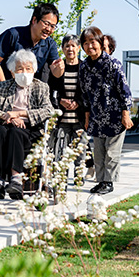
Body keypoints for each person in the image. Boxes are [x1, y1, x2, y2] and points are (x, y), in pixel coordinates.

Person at [0, 49, 54, 198]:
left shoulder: (41, 87)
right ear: (12, 72)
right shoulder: (3, 87)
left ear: (34, 70)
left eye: (28, 68)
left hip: (30, 128)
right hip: (7, 124)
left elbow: (48, 110)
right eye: (20, 69)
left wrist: (21, 114)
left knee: (15, 133)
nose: (24, 72)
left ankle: (16, 177)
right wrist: (6, 116)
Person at [79, 26, 133, 195]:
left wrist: (126, 114)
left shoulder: (112, 64)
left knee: (112, 152)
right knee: (99, 151)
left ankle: (108, 182)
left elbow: (124, 90)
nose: (89, 46)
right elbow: (84, 94)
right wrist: (87, 116)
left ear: (101, 43)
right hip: (96, 116)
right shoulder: (84, 67)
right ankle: (101, 181)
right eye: (85, 43)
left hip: (115, 116)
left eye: (93, 42)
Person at [48, 34, 94, 177]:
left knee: (80, 148)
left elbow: (89, 92)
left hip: (80, 116)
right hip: (62, 117)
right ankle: (61, 178)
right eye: (67, 46)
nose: (70, 49)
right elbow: (51, 90)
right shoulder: (57, 67)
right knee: (62, 150)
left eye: (73, 45)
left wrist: (78, 103)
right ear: (62, 49)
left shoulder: (84, 68)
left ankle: (79, 177)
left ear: (78, 48)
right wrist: (61, 100)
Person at [0, 3, 64, 83]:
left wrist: (60, 68)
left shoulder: (50, 44)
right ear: (34, 20)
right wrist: (4, 85)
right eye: (46, 24)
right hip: (8, 90)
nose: (49, 29)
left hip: (32, 92)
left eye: (53, 26)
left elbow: (56, 73)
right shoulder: (12, 35)